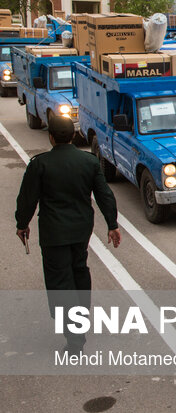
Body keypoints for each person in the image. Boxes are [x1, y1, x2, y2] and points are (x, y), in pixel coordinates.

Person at [15, 115, 122, 354]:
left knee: (59, 282)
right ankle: (80, 318)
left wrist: (22, 224)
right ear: (73, 136)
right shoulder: (89, 162)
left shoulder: (40, 164)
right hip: (81, 230)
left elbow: (27, 199)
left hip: (54, 234)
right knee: (79, 272)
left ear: (51, 137)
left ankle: (74, 340)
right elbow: (104, 194)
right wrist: (112, 224)